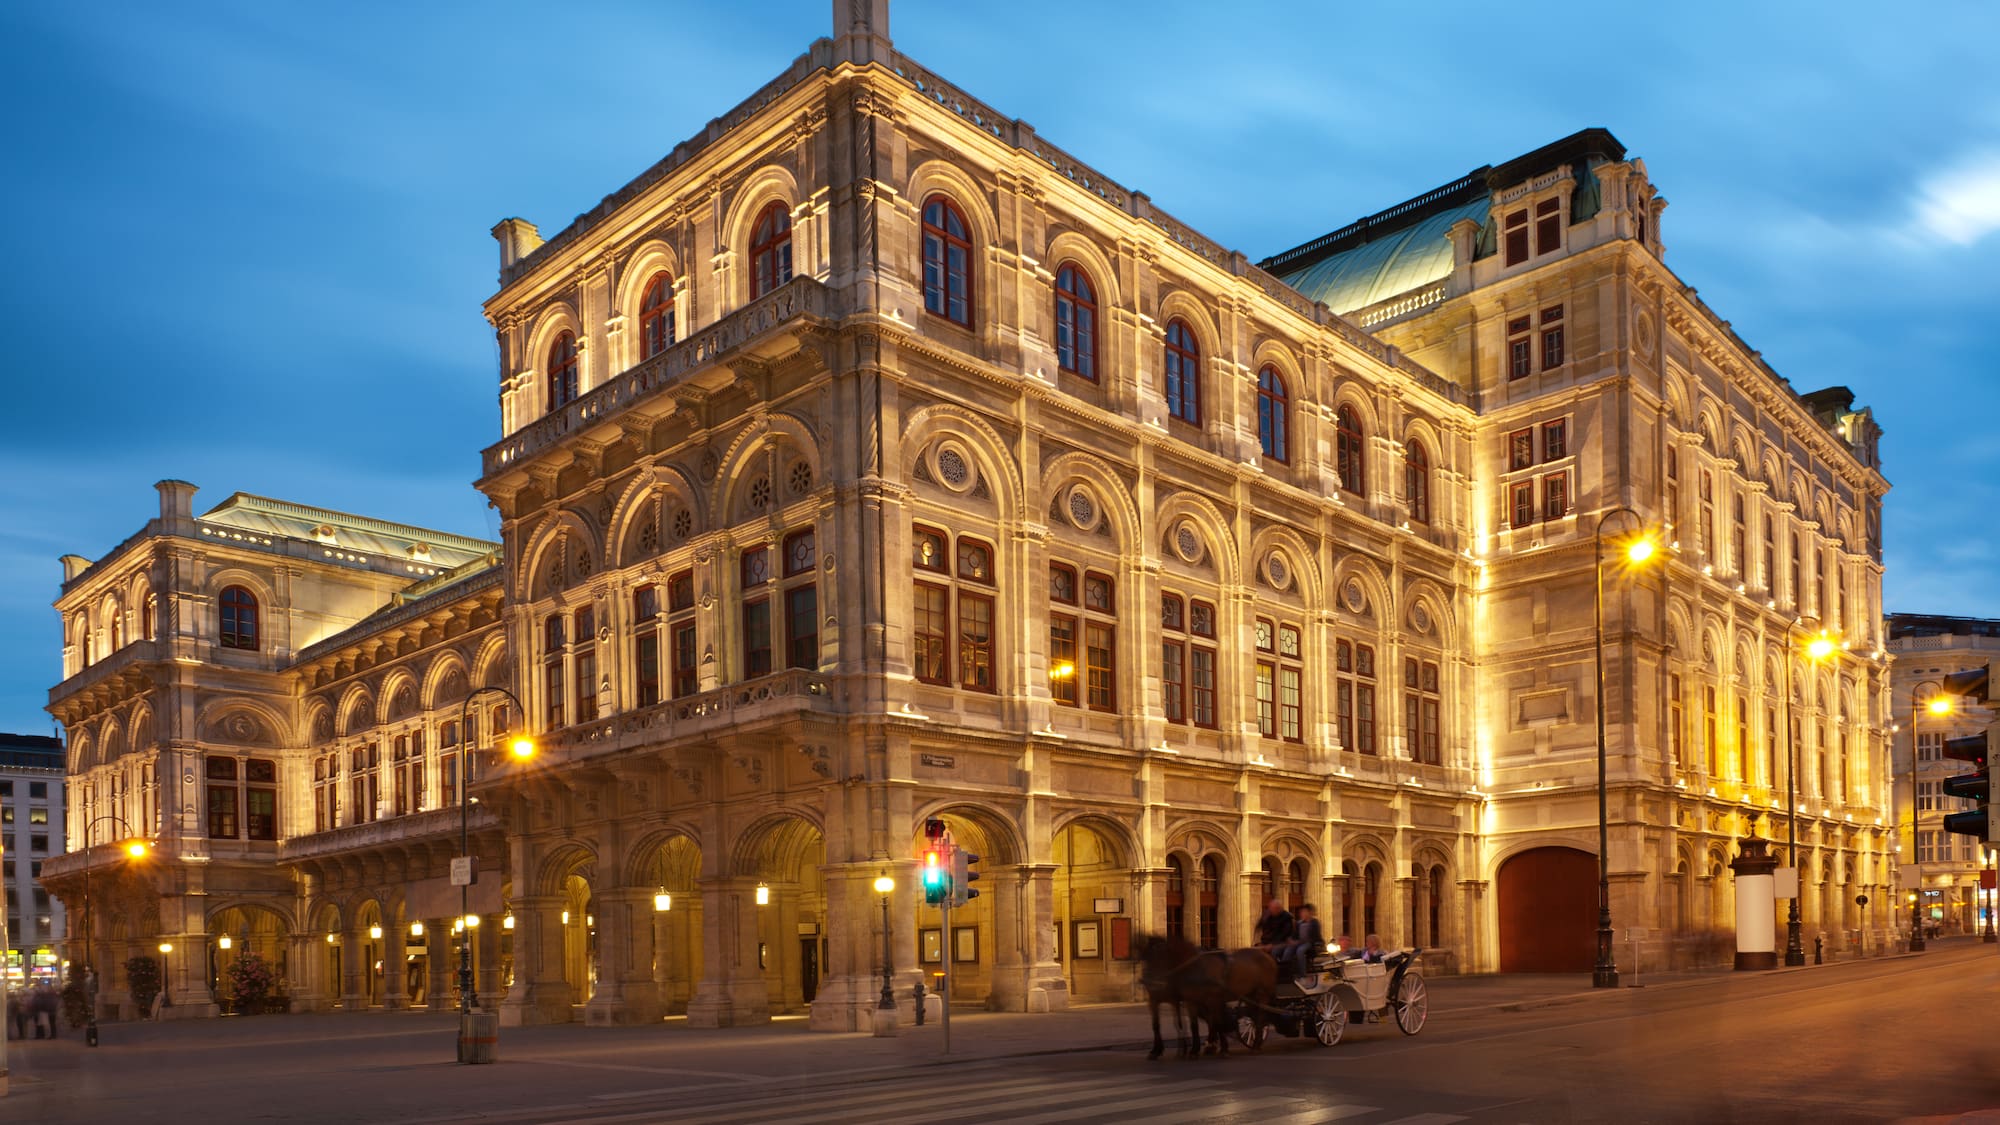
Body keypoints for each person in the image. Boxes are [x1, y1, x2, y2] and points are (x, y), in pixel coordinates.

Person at [1279, 903, 1326, 977]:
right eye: (1301, 912)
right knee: (1288, 950)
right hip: (1299, 942)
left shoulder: (1314, 923)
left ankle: (1302, 973)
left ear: (1309, 912)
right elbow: (1295, 934)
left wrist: (1299, 942)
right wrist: (1291, 940)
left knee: (1300, 951)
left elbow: (1315, 937)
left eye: (1304, 912)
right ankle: (1285, 971)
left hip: (1310, 943)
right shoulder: (1299, 923)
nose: (1302, 914)